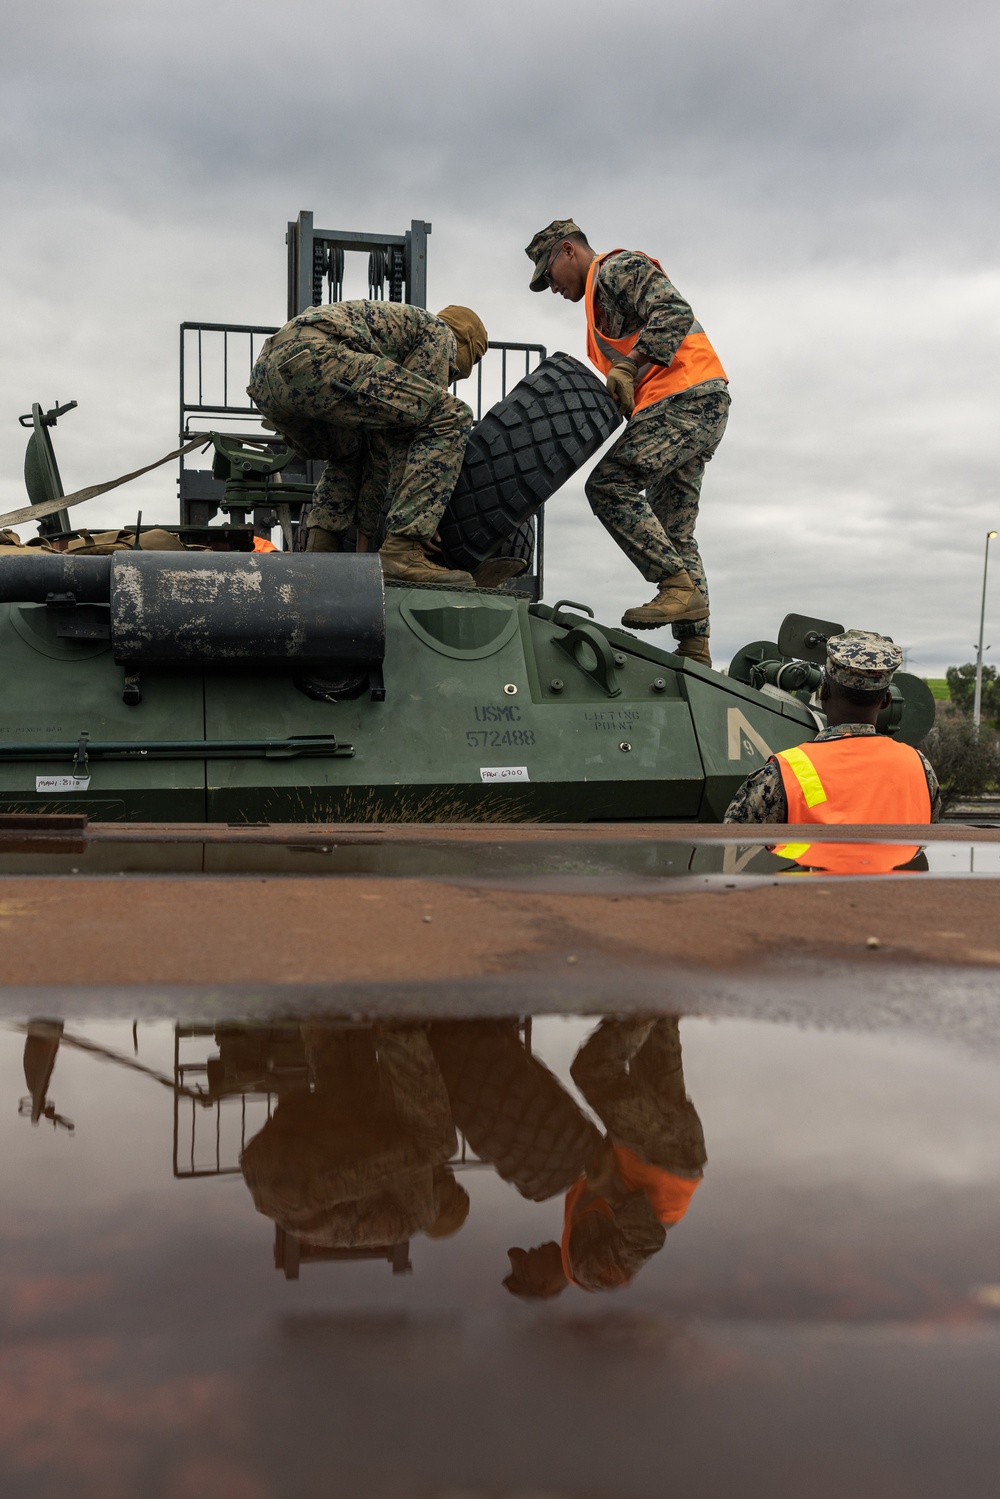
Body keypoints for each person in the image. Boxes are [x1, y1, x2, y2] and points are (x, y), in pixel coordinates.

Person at [525, 219, 729, 665]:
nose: (551, 287)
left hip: (686, 398)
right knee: (675, 530)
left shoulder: (617, 269)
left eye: (548, 274)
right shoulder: (596, 309)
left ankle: (675, 587)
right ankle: (695, 648)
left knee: (608, 485)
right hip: (687, 403)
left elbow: (674, 311)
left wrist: (629, 365)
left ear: (567, 251)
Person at [247, 301, 488, 586]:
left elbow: (375, 456)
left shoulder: (395, 335)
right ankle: (402, 553)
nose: (450, 377)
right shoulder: (439, 333)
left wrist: (365, 538)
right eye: (455, 372)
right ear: (466, 348)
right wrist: (419, 519)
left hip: (266, 380)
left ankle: (317, 557)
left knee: (349, 451)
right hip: (314, 359)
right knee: (449, 413)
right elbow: (411, 429)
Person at [503, 1017, 706, 1298]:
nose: (530, 1251)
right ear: (543, 1283)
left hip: (667, 1153)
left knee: (660, 1026)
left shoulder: (575, 1250)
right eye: (526, 1265)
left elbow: (605, 1171)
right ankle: (641, 1003)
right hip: (657, 1156)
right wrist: (609, 1189)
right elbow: (646, 1241)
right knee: (592, 1071)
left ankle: (660, 987)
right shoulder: (589, 1271)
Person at [724, 631, 940, 866]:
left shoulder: (784, 772)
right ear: (887, 701)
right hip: (893, 898)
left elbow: (730, 847)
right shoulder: (920, 768)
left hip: (811, 897)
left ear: (823, 691)